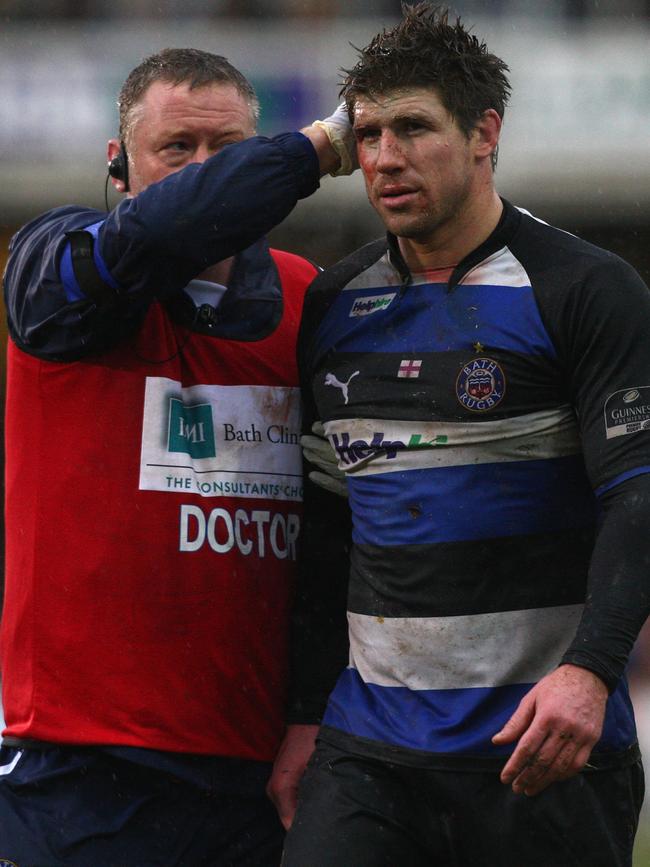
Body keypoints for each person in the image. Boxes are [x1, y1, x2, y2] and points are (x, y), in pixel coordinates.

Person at [270, 5, 650, 865]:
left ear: (486, 133)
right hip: (372, 748)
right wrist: (304, 713)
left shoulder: (584, 289)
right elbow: (330, 527)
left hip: (538, 748)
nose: (385, 159)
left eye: (413, 128)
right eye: (367, 134)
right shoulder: (335, 304)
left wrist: (591, 669)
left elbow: (638, 491)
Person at [0, 47, 356, 866]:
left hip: (255, 774)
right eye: (177, 150)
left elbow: (333, 535)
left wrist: (311, 711)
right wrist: (317, 147)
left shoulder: (312, 300)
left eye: (228, 152)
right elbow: (167, 229)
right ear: (118, 165)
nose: (205, 173)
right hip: (76, 769)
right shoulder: (54, 265)